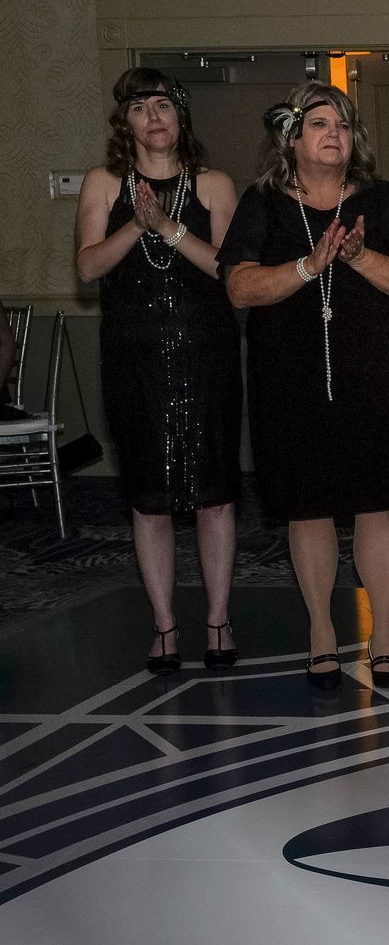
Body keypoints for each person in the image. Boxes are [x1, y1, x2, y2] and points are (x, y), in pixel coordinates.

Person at [221, 84, 389, 688]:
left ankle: (383, 632)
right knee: (307, 508)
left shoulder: (381, 199)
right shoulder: (264, 203)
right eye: (318, 123)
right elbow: (239, 287)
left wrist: (356, 257)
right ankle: (321, 632)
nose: (334, 132)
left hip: (375, 377)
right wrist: (310, 266)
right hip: (291, 381)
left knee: (376, 504)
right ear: (292, 138)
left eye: (342, 123)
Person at [73, 69, 243, 674]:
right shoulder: (102, 184)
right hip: (133, 357)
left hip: (207, 356)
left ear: (180, 116)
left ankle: (218, 620)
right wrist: (134, 226)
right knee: (149, 498)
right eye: (141, 108)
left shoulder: (216, 185)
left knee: (215, 496)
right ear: (126, 122)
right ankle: (165, 626)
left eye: (164, 105)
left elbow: (231, 272)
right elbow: (89, 268)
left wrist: (169, 229)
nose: (153, 116)